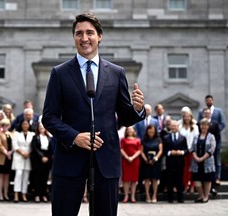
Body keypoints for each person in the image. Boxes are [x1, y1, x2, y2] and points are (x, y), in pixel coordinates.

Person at [42, 13, 145, 216]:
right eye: (79, 33)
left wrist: (138, 109)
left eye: (90, 32)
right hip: (69, 159)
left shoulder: (116, 73)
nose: (84, 38)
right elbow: (49, 117)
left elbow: (124, 117)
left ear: (100, 36)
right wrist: (74, 137)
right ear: (74, 38)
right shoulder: (59, 73)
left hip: (106, 160)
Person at [197, 95, 225, 186]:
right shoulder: (201, 112)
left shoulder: (218, 112)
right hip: (204, 141)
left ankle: (217, 177)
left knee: (217, 159)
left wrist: (212, 134)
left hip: (215, 140)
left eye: (210, 100)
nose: (209, 101)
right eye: (207, 100)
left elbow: (222, 124)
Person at [190, 118, 216, 203]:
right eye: (202, 125)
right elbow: (192, 148)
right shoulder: (196, 136)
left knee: (207, 180)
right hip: (196, 162)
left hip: (207, 162)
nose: (203, 126)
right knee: (197, 180)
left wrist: (202, 158)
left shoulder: (211, 136)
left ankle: (206, 196)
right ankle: (201, 196)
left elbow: (211, 149)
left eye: (205, 125)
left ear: (208, 126)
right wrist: (196, 157)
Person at [163, 120, 188, 203]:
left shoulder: (183, 138)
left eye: (175, 126)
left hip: (179, 162)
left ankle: (180, 198)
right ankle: (170, 198)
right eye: (172, 126)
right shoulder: (166, 137)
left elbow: (186, 149)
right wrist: (170, 152)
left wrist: (182, 152)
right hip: (170, 162)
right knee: (169, 179)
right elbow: (164, 150)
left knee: (179, 180)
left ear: (178, 127)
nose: (174, 127)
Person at [12, 119, 35, 203]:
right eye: (23, 124)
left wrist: (28, 153)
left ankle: (24, 194)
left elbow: (34, 146)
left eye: (27, 124)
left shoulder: (32, 134)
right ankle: (16, 194)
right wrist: (22, 153)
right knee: (18, 175)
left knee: (26, 177)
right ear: (21, 125)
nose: (25, 126)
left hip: (28, 157)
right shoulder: (17, 134)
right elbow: (14, 145)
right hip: (19, 156)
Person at [31, 123, 54, 203]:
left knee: (45, 178)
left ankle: (44, 194)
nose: (42, 129)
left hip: (47, 160)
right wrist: (42, 157)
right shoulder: (35, 137)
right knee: (37, 177)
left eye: (43, 127)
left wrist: (47, 157)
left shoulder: (49, 137)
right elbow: (35, 148)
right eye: (40, 127)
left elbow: (51, 149)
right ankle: (37, 195)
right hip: (38, 159)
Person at [178, 109, 199, 193]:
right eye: (185, 117)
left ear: (191, 117)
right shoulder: (180, 127)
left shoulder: (195, 127)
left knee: (192, 169)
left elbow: (196, 139)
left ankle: (192, 186)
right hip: (183, 151)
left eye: (188, 117)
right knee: (185, 169)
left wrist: (192, 149)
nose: (187, 118)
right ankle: (186, 185)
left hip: (192, 150)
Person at [140, 125, 162, 203]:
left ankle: (154, 195)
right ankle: (147, 195)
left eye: (152, 130)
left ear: (155, 131)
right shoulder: (144, 139)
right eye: (149, 130)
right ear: (147, 131)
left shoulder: (158, 139)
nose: (151, 132)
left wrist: (155, 159)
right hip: (146, 161)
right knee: (146, 179)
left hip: (156, 162)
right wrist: (146, 159)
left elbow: (160, 150)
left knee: (155, 179)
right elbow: (141, 151)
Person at [120, 126, 141, 203]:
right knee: (126, 178)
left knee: (134, 179)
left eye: (131, 129)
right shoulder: (123, 139)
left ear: (134, 131)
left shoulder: (138, 140)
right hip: (125, 160)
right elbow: (121, 149)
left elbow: (139, 150)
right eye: (128, 129)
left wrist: (132, 157)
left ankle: (133, 195)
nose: (129, 131)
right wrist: (127, 157)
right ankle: (126, 195)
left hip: (135, 161)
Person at [0, 118, 13, 201]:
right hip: (1, 157)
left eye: (6, 125)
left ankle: (5, 194)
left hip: (9, 158)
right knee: (1, 176)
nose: (5, 127)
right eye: (3, 125)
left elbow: (14, 144)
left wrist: (11, 152)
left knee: (7, 177)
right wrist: (6, 153)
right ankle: (0, 194)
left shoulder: (11, 134)